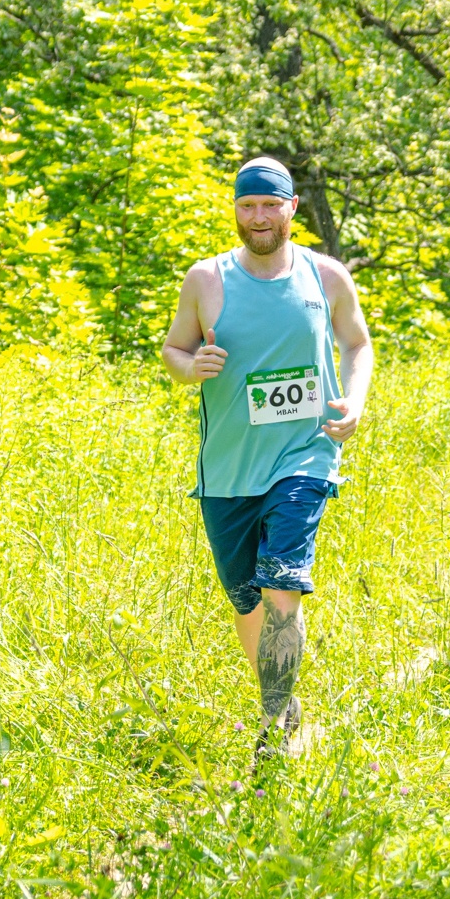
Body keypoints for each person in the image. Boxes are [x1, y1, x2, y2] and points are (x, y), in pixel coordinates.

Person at [160, 157, 374, 760]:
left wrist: (355, 401)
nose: (258, 217)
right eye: (247, 205)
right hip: (228, 469)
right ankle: (285, 702)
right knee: (247, 599)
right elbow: (174, 350)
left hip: (305, 455)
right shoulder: (206, 279)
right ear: (236, 209)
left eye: (269, 205)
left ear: (291, 208)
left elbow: (357, 343)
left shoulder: (325, 276)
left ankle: (274, 726)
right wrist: (191, 367)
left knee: (282, 582)